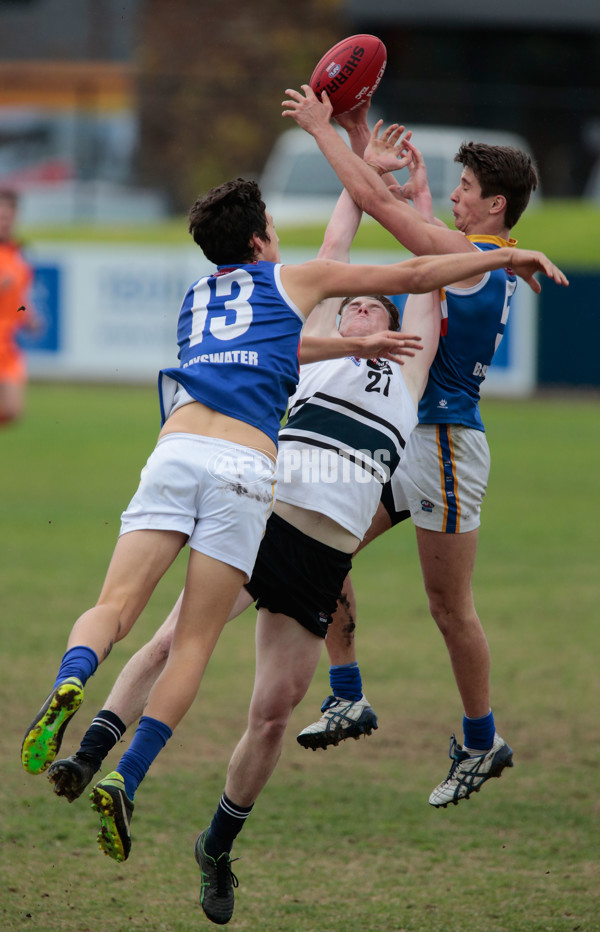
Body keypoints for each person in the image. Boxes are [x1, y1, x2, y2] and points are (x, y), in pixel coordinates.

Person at [20, 175, 546, 874]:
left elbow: (424, 271)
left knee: (270, 710)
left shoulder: (408, 364)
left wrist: (412, 197)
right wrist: (358, 170)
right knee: (176, 640)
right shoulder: (311, 336)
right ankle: (92, 755)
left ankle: (212, 843)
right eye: (348, 304)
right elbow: (342, 257)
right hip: (258, 508)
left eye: (368, 305)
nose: (358, 308)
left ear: (390, 320)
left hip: (315, 549)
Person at [282, 85, 556, 809]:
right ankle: (347, 694)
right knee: (321, 545)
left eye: (467, 189)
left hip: (445, 447)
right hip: (407, 441)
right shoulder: (476, 254)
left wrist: (323, 132)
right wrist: (359, 127)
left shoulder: (476, 256)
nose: (458, 198)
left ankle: (481, 740)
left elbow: (382, 210)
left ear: (496, 207)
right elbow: (403, 215)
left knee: (449, 608)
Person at [0, 189, 40, 426]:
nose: (4, 221)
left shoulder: (17, 254)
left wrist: (28, 316)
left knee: (13, 410)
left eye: (8, 215)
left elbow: (18, 299)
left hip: (7, 345)